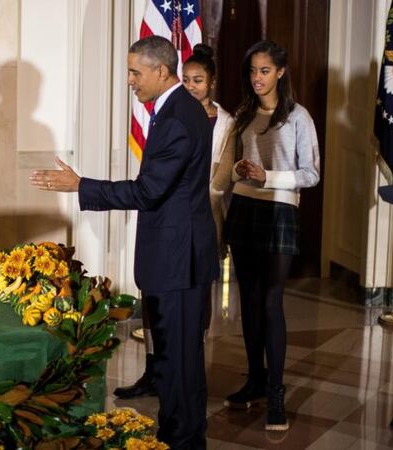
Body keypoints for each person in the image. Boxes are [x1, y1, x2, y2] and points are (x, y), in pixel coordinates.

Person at [31, 35, 218, 449]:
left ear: (162, 71)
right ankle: (176, 436)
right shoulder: (175, 110)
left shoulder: (175, 117)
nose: (130, 80)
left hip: (178, 258)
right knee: (172, 359)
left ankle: (184, 441)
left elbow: (148, 191)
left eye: (136, 72)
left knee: (180, 362)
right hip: (174, 256)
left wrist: (81, 186)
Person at [211, 40, 320, 431]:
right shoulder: (242, 115)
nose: (257, 79)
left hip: (279, 211)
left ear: (280, 72)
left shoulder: (298, 118)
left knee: (272, 302)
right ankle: (255, 379)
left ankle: (276, 392)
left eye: (264, 71)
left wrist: (267, 176)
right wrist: (243, 171)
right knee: (251, 301)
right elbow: (233, 172)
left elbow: (311, 174)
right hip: (243, 209)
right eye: (253, 71)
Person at [182, 43, 235, 331]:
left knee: (201, 282)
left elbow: (223, 175)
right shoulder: (174, 113)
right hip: (176, 208)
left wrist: (199, 196)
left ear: (211, 82)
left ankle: (198, 337)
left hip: (206, 209)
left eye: (198, 81)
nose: (191, 87)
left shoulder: (226, 122)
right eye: (186, 80)